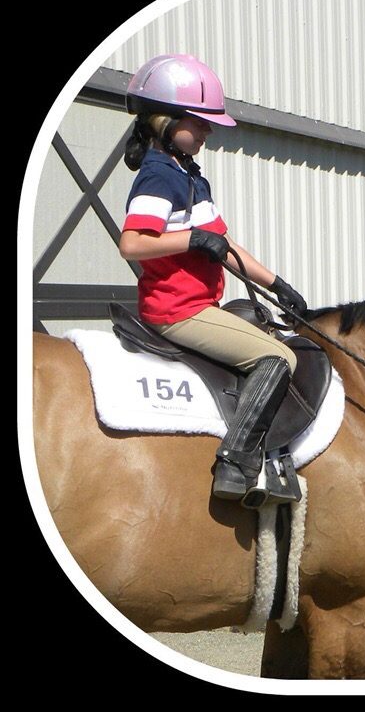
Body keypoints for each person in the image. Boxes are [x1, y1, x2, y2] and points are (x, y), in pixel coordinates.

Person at [118, 53, 308, 505]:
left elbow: (224, 244)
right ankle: (236, 462)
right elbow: (133, 243)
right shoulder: (160, 175)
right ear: (166, 121)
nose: (206, 132)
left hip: (199, 304)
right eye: (200, 123)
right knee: (278, 358)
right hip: (176, 310)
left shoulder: (190, 176)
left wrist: (277, 283)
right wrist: (190, 240)